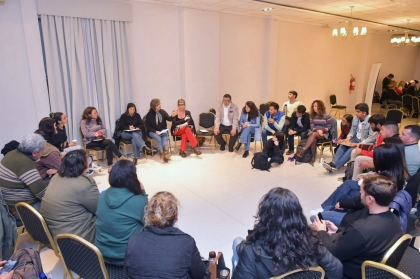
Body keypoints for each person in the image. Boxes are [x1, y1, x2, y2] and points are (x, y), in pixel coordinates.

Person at [232, 187, 343, 279]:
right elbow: (337, 270)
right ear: (298, 216)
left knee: (237, 242)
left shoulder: (251, 251)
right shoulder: (312, 240)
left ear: (265, 216)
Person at [313, 174, 403, 279]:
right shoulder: (395, 220)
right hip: (369, 265)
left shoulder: (360, 229)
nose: (359, 193)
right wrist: (338, 229)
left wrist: (322, 232)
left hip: (348, 272)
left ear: (370, 199)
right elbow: (360, 240)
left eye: (361, 191)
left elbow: (332, 252)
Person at [311, 137, 410, 226]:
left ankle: (331, 209)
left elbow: (361, 201)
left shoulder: (385, 181)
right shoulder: (395, 172)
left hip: (363, 214)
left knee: (315, 217)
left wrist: (342, 203)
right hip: (367, 207)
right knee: (348, 184)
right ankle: (329, 208)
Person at [125, 191, 207, 279]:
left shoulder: (133, 240)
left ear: (149, 215)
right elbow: (200, 275)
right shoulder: (187, 242)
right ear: (176, 216)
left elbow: (127, 274)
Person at [95, 160, 148, 265]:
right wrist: (143, 192)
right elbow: (148, 224)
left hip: (101, 254)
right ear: (133, 178)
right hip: (128, 256)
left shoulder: (102, 195)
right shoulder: (139, 201)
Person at [40, 149, 99, 243]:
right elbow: (98, 209)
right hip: (78, 237)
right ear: (82, 165)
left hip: (55, 234)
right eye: (88, 161)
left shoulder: (56, 177)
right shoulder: (85, 183)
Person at [0, 134, 47, 217]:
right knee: (55, 206)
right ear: (34, 153)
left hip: (7, 203)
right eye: (42, 150)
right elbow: (42, 193)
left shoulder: (11, 154)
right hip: (19, 210)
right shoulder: (25, 164)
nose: (43, 152)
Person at [323, 103, 375, 172]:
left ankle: (335, 166)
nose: (356, 113)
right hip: (355, 139)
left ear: (364, 113)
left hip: (364, 142)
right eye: (356, 111)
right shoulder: (355, 119)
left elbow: (371, 138)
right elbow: (352, 132)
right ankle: (333, 163)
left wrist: (357, 144)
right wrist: (347, 139)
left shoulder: (370, 121)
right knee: (343, 145)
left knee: (351, 150)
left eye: (358, 112)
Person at [80, 107, 126, 172]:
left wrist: (100, 132)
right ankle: (120, 156)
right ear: (89, 115)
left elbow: (104, 129)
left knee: (108, 147)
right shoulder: (83, 122)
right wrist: (95, 134)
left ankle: (110, 165)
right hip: (90, 141)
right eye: (94, 113)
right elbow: (85, 133)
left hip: (100, 139)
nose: (97, 113)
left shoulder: (98, 119)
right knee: (109, 142)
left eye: (96, 112)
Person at [296, 100, 331, 166]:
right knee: (314, 138)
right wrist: (317, 130)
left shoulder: (327, 116)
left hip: (323, 133)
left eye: (316, 106)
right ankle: (313, 157)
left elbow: (329, 127)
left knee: (313, 135)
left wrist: (322, 131)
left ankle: (303, 151)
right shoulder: (312, 115)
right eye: (313, 106)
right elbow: (312, 126)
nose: (314, 107)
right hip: (314, 131)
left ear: (320, 107)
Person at [145, 98, 174, 163]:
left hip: (162, 130)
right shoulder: (149, 114)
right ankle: (161, 153)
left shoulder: (162, 111)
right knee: (159, 139)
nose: (160, 105)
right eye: (158, 104)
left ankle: (165, 153)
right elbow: (148, 126)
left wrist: (172, 116)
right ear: (154, 106)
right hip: (152, 131)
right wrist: (155, 131)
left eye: (160, 103)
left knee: (165, 137)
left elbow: (169, 119)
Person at [34, 118, 61, 184]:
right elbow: (62, 169)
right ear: (50, 128)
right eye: (54, 126)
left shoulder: (37, 141)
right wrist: (57, 171)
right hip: (44, 181)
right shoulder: (49, 151)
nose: (56, 127)